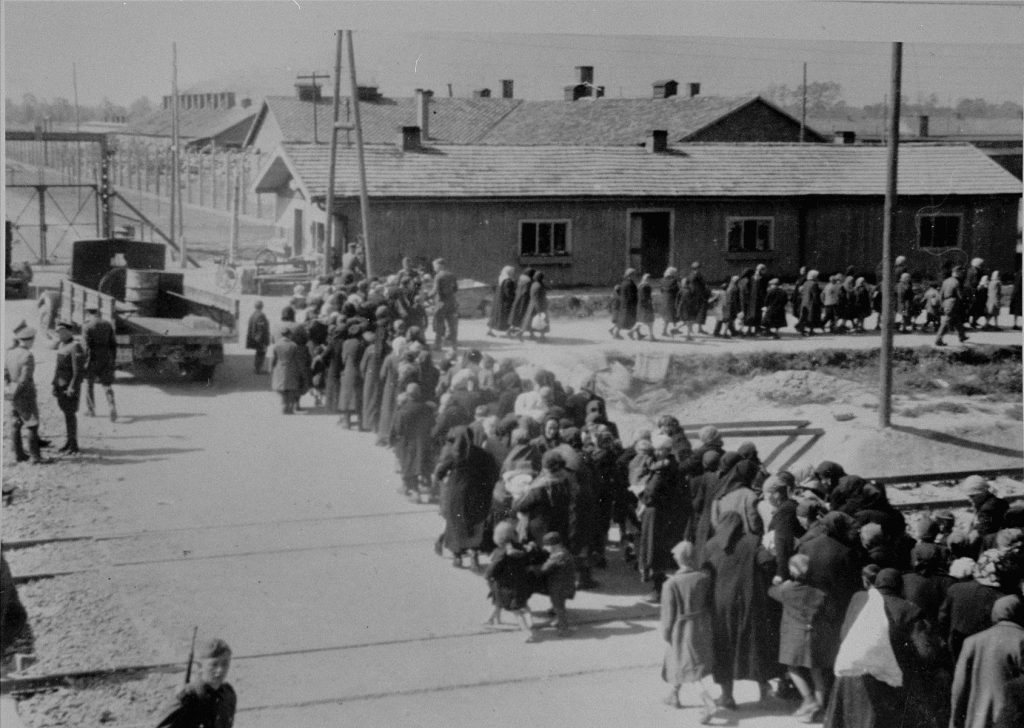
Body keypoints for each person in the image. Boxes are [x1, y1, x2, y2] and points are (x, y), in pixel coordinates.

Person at [701, 510, 778, 709]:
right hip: (749, 603)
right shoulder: (752, 541)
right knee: (754, 645)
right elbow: (768, 562)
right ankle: (764, 690)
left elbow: (704, 574)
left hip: (721, 606)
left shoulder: (711, 545)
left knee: (723, 648)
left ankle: (727, 696)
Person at [769, 554, 832, 723]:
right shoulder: (820, 592)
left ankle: (809, 699)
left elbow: (771, 592)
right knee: (816, 671)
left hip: (794, 636)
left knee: (792, 668)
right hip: (814, 635)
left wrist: (779, 583)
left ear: (792, 571)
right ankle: (819, 707)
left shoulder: (786, 590)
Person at [660, 540, 716, 723]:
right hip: (700, 624)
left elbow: (668, 613)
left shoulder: (671, 584)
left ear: (679, 559)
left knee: (688, 666)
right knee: (683, 662)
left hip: (681, 628)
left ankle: (708, 702)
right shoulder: (703, 578)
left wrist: (666, 633)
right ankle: (674, 695)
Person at [951, 595, 1024, 728]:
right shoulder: (1020, 639)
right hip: (1010, 719)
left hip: (976, 719)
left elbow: (959, 686)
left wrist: (954, 720)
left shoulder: (972, 641)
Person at [433, 425, 499, 569]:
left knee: (455, 525)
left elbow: (440, 473)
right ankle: (474, 554)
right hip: (477, 495)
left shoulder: (453, 454)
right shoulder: (482, 454)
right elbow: (493, 472)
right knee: (474, 524)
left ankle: (458, 557)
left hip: (457, 496)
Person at [154, 637, 236, 728]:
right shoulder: (188, 697)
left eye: (225, 663)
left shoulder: (228, 695)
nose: (220, 670)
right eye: (214, 664)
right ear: (200, 666)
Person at [484, 521, 540, 642]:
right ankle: (491, 620)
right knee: (511, 603)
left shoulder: (500, 552)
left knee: (515, 611)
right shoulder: (520, 548)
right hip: (521, 583)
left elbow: (492, 569)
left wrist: (488, 576)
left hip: (506, 586)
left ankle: (528, 633)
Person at [391, 383, 436, 502]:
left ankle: (415, 492)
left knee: (409, 465)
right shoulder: (426, 408)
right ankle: (416, 489)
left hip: (408, 442)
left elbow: (398, 429)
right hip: (423, 441)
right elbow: (432, 424)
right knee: (422, 465)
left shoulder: (403, 410)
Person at [5, 326, 43, 464]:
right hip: (25, 394)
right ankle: (35, 457)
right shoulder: (27, 355)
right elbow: (25, 379)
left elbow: (5, 374)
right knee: (32, 424)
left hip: (13, 392)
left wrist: (9, 390)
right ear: (30, 340)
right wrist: (17, 393)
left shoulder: (10, 353)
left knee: (16, 423)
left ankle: (18, 454)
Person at [51, 321, 85, 455]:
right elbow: (57, 368)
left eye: (63, 332)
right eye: (59, 332)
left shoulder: (75, 347)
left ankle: (73, 445)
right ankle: (69, 442)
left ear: (70, 332)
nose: (60, 334)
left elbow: (78, 372)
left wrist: (72, 387)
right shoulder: (62, 345)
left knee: (70, 415)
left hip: (69, 387)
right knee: (66, 414)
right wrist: (54, 384)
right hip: (60, 386)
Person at [533, 531, 576, 635]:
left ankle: (564, 629)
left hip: (558, 586)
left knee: (558, 607)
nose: (545, 548)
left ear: (554, 545)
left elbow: (544, 569)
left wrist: (532, 568)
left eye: (547, 545)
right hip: (565, 584)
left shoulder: (557, 556)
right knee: (560, 605)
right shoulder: (564, 552)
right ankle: (558, 621)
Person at [82, 306, 118, 421]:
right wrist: (113, 359)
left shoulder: (87, 326)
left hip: (93, 358)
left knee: (89, 384)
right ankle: (111, 405)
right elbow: (113, 344)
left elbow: (85, 346)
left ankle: (91, 410)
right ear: (98, 313)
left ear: (88, 313)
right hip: (106, 357)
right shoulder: (107, 324)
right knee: (107, 384)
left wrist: (84, 362)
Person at [269, 326, 303, 414]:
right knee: (291, 388)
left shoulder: (276, 345)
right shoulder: (294, 345)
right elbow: (297, 359)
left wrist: (271, 368)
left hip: (279, 368)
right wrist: (300, 369)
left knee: (281, 388)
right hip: (291, 368)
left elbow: (273, 358)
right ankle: (290, 407)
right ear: (289, 335)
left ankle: (284, 405)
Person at [935, 266, 969, 346]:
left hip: (946, 302)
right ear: (957, 273)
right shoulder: (957, 282)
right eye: (961, 272)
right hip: (953, 303)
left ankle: (962, 336)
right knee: (946, 321)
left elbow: (941, 294)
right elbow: (960, 295)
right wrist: (965, 301)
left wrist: (942, 304)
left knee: (957, 320)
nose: (961, 274)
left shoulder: (946, 281)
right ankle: (938, 339)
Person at [431, 258, 459, 350]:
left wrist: (426, 296)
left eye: (434, 266)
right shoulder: (452, 275)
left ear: (439, 266)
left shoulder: (438, 276)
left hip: (441, 302)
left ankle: (437, 345)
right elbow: (455, 289)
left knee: (439, 324)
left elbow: (435, 291)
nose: (434, 268)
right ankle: (454, 346)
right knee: (452, 324)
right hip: (451, 301)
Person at [487, 265, 516, 337]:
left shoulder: (500, 278)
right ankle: (507, 332)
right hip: (504, 301)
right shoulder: (508, 281)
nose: (513, 273)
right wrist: (513, 298)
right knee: (506, 316)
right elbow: (508, 293)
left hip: (498, 300)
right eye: (512, 272)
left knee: (495, 315)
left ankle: (490, 330)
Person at [244, 300, 271, 374]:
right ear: (262, 306)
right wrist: (260, 339)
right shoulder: (261, 315)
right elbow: (260, 328)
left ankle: (257, 368)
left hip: (255, 338)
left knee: (258, 353)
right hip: (260, 339)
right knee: (261, 353)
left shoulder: (253, 314)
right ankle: (258, 369)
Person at [616, 268, 639, 339]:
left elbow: (619, 292)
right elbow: (632, 295)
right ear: (630, 275)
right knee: (627, 320)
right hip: (630, 305)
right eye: (634, 275)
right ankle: (617, 333)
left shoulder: (623, 283)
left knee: (625, 319)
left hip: (624, 304)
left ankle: (636, 334)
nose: (635, 276)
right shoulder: (630, 284)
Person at [659, 267, 681, 337]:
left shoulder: (661, 280)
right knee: (673, 315)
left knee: (667, 316)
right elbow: (678, 291)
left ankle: (666, 330)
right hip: (672, 300)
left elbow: (661, 290)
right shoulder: (674, 281)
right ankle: (667, 330)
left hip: (664, 300)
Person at [637, 273, 657, 341]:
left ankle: (631, 332)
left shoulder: (640, 285)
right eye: (649, 279)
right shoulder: (646, 286)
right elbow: (647, 297)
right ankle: (651, 336)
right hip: (647, 305)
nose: (650, 280)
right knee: (650, 321)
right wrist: (650, 303)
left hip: (641, 305)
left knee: (643, 320)